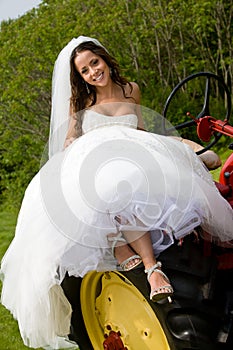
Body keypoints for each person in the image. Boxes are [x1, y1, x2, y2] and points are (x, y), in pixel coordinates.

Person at [0, 36, 232, 350]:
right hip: (97, 160)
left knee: (142, 177)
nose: (93, 72)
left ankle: (140, 259)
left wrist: (165, 149)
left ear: (105, 60)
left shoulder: (130, 90)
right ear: (80, 78)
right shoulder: (81, 103)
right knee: (110, 183)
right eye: (84, 71)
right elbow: (71, 138)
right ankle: (150, 268)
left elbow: (138, 130)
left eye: (94, 63)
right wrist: (73, 146)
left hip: (130, 153)